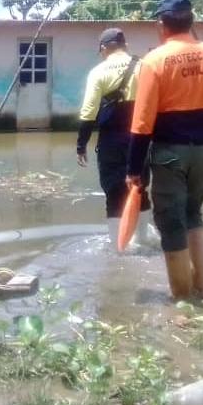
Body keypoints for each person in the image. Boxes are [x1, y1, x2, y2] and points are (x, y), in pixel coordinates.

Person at [126, 0, 203, 299]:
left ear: (161, 25)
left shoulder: (154, 61)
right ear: (191, 22)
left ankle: (181, 301)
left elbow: (142, 123)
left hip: (169, 155)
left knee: (171, 224)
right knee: (194, 215)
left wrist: (133, 170)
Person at [76, 27, 153, 247]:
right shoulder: (143, 67)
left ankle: (118, 248)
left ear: (103, 49)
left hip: (111, 139)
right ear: (125, 46)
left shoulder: (98, 72)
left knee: (113, 191)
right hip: (140, 138)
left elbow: (89, 111)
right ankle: (144, 240)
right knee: (139, 187)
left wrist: (81, 145)